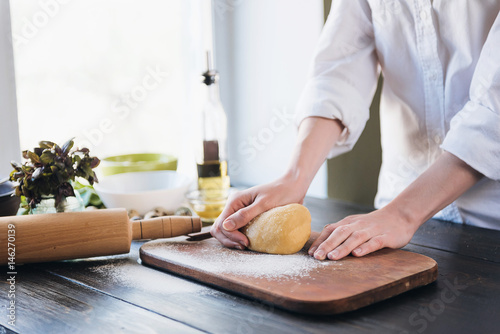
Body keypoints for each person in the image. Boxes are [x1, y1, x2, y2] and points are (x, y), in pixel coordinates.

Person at [211, 1, 500, 261]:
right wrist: (294, 178)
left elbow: (493, 109)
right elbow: (338, 74)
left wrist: (404, 213)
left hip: (489, 221)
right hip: (387, 223)